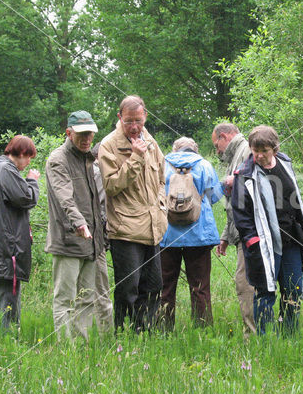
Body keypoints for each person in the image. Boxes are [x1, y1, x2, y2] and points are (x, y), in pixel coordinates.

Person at [231, 125, 303, 335]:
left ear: (275, 149)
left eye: (265, 151)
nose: (259, 155)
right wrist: (252, 240)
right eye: (255, 150)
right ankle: (265, 338)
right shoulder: (244, 174)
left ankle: (289, 335)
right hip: (263, 245)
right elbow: (240, 214)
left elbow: (296, 199)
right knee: (265, 291)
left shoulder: (285, 164)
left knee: (293, 289)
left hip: (290, 241)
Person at [99, 95, 167, 333]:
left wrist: (161, 204)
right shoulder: (108, 145)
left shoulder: (150, 141)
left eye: (138, 120)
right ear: (120, 117)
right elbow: (111, 185)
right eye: (129, 121)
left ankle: (144, 333)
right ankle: (122, 334)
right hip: (125, 230)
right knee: (129, 287)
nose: (135, 127)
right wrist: (135, 157)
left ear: (145, 116)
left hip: (152, 228)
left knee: (153, 285)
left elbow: (161, 179)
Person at [45, 111, 105, 341]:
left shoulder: (88, 158)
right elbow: (64, 197)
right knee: (65, 300)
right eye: (81, 134)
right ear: (69, 133)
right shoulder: (58, 159)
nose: (87, 138)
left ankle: (83, 346)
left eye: (90, 133)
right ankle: (66, 351)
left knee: (87, 298)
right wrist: (79, 222)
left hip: (92, 242)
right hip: (68, 239)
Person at [160, 137, 223, 330]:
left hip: (167, 234)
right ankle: (202, 329)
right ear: (194, 149)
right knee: (200, 286)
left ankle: (164, 329)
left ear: (175, 149)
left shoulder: (163, 163)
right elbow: (215, 196)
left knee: (165, 286)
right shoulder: (204, 165)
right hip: (199, 235)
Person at [0, 135, 40, 330]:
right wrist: (32, 181)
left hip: (1, 247)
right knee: (6, 297)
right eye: (29, 156)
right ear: (21, 153)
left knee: (4, 295)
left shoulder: (0, 169)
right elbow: (27, 198)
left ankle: (4, 339)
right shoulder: (6, 170)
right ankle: (3, 341)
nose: (29, 161)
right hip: (6, 249)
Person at [212, 123, 256, 336]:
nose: (217, 151)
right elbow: (232, 203)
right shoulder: (237, 154)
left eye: (216, 145)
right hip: (240, 231)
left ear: (223, 137)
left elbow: (249, 191)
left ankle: (253, 335)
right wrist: (225, 236)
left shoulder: (246, 150)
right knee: (244, 282)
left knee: (245, 283)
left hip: (249, 232)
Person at [90, 142, 113, 333]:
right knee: (100, 288)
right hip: (94, 239)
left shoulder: (89, 170)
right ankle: (106, 334)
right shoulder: (97, 173)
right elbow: (99, 210)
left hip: (91, 238)